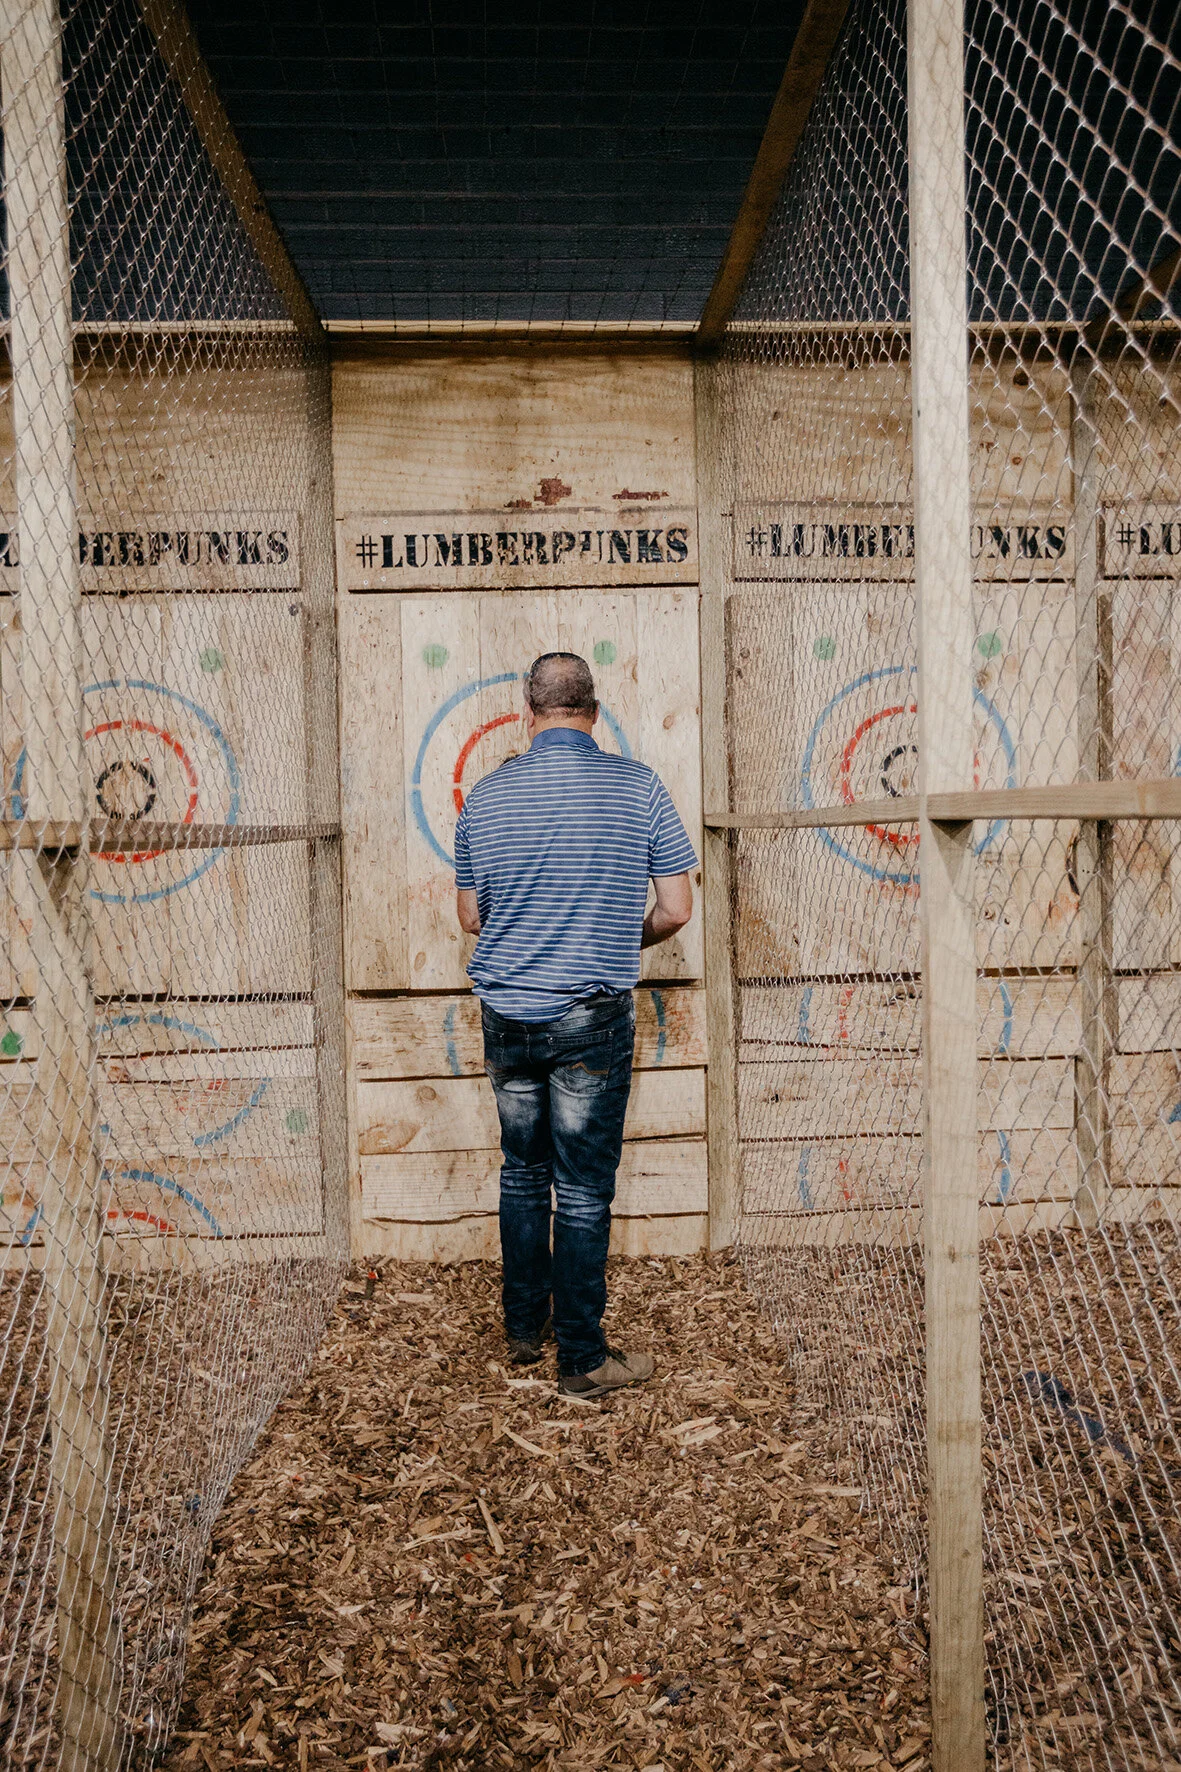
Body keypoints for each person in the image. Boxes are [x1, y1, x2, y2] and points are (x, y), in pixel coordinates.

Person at [453, 651, 696, 1398]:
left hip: (507, 1016)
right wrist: (620, 939)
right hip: (590, 1017)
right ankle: (583, 1361)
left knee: (523, 1174)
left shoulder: (485, 797)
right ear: (593, 711)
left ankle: (525, 1332)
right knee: (583, 1191)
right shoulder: (639, 787)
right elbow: (677, 907)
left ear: (526, 715)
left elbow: (469, 917)